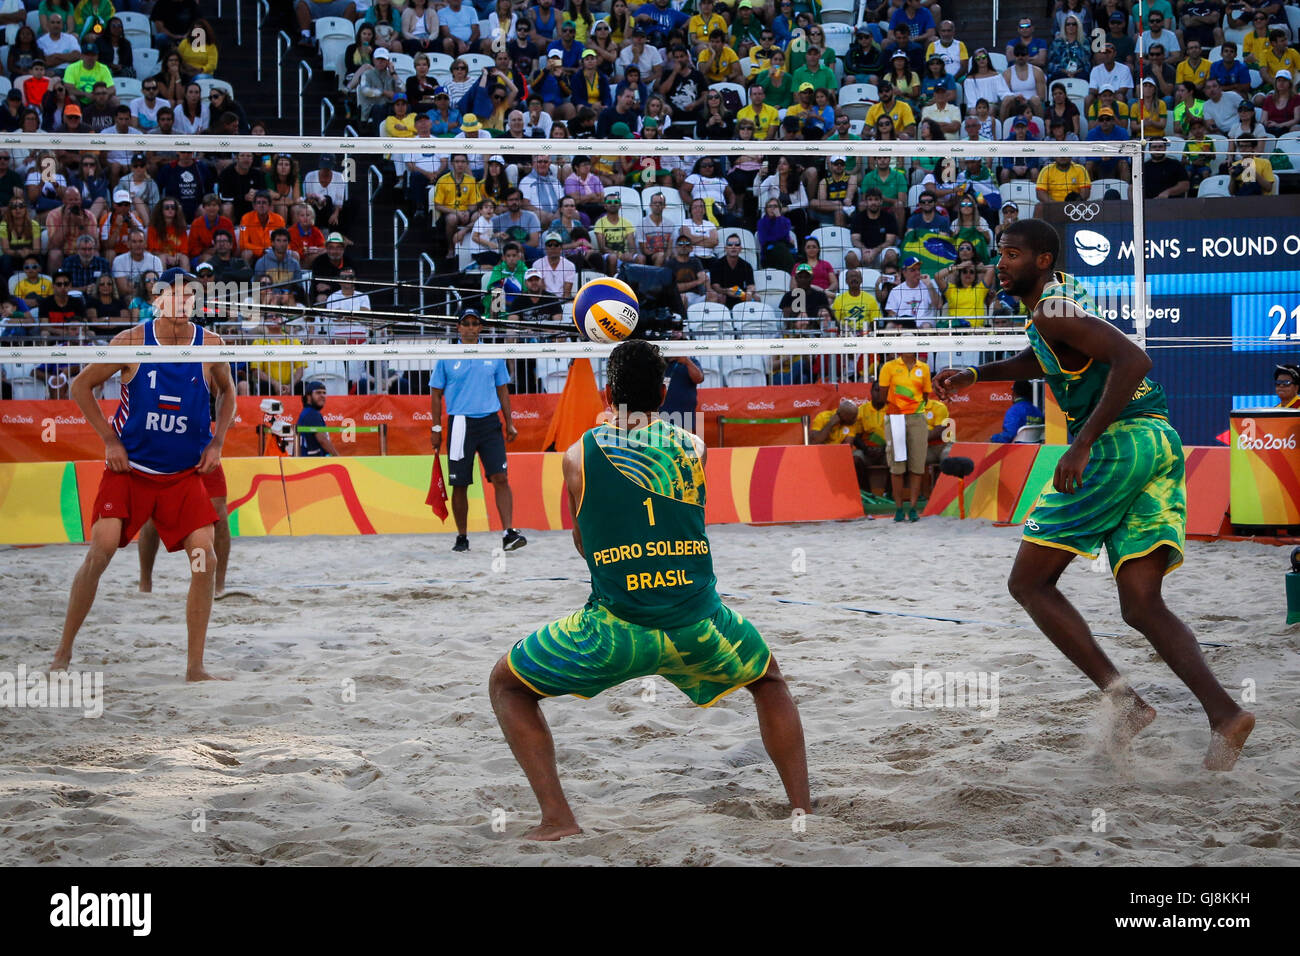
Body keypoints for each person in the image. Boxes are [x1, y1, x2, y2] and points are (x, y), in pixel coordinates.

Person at [933, 218, 1256, 771]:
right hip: (1158, 441)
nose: (999, 263)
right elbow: (1049, 360)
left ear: (1041, 260)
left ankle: (1125, 701)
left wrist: (1081, 443)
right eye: (998, 253)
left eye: (1011, 254)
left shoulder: (1053, 308)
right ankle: (1225, 713)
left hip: (1117, 444)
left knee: (1029, 583)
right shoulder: (1062, 301)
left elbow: (1135, 360)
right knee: (1141, 603)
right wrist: (977, 373)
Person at [488, 338, 810, 840]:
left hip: (615, 631)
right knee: (769, 683)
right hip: (701, 626)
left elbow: (582, 542)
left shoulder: (578, 455)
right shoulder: (694, 447)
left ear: (606, 392)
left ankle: (558, 818)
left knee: (506, 685)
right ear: (663, 395)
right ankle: (802, 806)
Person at [52, 269, 236, 681]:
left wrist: (218, 442)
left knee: (203, 558)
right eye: (174, 295)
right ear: (158, 299)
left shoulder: (210, 344)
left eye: (189, 295)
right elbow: (80, 387)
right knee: (100, 550)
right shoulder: (132, 341)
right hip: (131, 468)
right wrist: (109, 441)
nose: (183, 301)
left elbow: (229, 394)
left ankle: (195, 667)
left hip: (183, 473)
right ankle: (62, 652)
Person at [431, 308, 526, 553]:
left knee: (501, 478)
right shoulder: (447, 356)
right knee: (459, 483)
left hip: (489, 422)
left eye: (475, 323)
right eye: (467, 323)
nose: (471, 327)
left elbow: (502, 390)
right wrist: (436, 426)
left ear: (480, 328)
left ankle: (508, 532)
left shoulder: (492, 353)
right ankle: (462, 536)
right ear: (458, 328)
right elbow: (435, 393)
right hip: (460, 423)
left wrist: (510, 421)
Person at [878, 349, 932, 521]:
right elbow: (882, 394)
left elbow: (925, 395)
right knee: (897, 464)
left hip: (916, 416)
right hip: (895, 416)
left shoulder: (923, 368)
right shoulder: (889, 366)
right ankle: (899, 508)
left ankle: (914, 507)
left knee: (917, 463)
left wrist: (911, 407)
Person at [297, 381, 341, 457]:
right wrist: (337, 456)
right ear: (308, 396)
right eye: (318, 393)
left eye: (324, 393)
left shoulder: (306, 412)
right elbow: (323, 440)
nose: (322, 396)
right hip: (313, 462)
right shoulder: (312, 414)